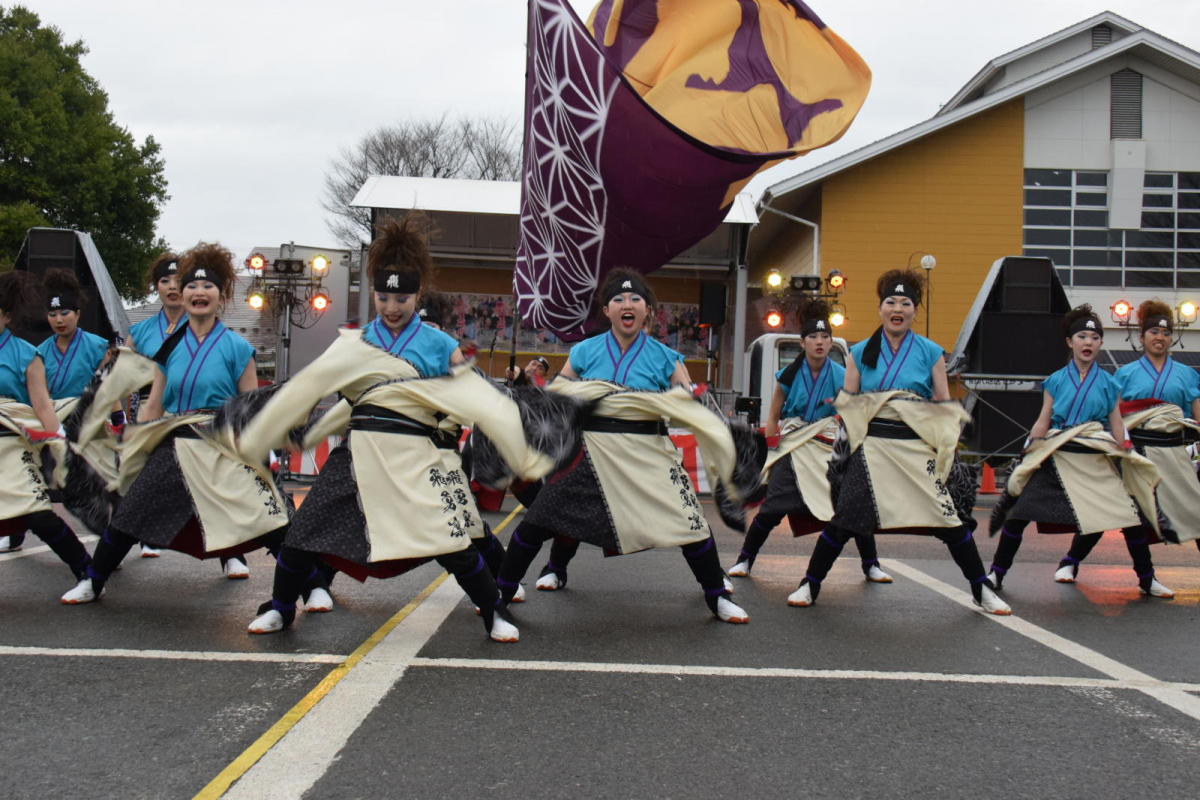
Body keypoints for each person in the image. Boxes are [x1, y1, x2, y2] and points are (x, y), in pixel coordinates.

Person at [241, 213, 547, 641]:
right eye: (383, 297)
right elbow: (313, 386)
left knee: (452, 541)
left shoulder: (440, 344)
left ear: (417, 295)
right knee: (302, 534)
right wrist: (290, 426)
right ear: (374, 293)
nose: (391, 307)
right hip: (359, 449)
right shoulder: (354, 340)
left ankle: (494, 611)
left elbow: (473, 395)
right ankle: (280, 607)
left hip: (415, 452)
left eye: (401, 298)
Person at [60, 243, 316, 607]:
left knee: (267, 517)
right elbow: (153, 403)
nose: (199, 292)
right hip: (175, 440)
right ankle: (94, 581)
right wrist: (133, 442)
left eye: (208, 286)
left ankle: (313, 585)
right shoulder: (168, 349)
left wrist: (261, 453)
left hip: (220, 443)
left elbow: (251, 406)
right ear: (184, 295)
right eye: (192, 286)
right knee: (131, 511)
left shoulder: (237, 347)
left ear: (221, 297)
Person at [495, 268, 751, 625]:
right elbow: (558, 397)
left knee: (691, 522)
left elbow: (690, 403)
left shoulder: (666, 356)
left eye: (635, 299)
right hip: (590, 451)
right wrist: (524, 384)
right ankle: (502, 592)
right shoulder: (584, 350)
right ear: (607, 311)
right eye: (618, 299)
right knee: (538, 520)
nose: (626, 304)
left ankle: (716, 596)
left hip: (648, 451)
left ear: (648, 311)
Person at [790, 268, 1010, 615]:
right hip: (872, 447)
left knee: (950, 521)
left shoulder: (930, 351)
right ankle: (810, 583)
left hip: (915, 447)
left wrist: (946, 449)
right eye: (891, 302)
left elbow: (942, 404)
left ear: (914, 311)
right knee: (844, 520)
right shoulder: (860, 352)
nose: (897, 308)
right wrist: (841, 453)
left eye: (905, 303)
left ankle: (980, 589)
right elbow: (849, 405)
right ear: (880, 309)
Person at [988, 303, 1174, 597]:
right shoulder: (1055, 380)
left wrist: (1128, 453)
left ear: (1100, 343)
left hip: (1095, 458)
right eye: (1082, 337)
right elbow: (1043, 421)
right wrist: (1027, 451)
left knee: (1129, 517)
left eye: (1095, 338)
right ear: (1069, 342)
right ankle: (996, 573)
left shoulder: (1109, 383)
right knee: (1017, 514)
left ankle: (1147, 579)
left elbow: (1117, 425)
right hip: (1057, 457)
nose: (1089, 342)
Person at [728, 297, 892, 589]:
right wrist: (772, 447)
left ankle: (871, 564)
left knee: (852, 504)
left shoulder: (842, 375)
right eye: (813, 337)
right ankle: (745, 559)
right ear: (802, 342)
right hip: (793, 444)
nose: (819, 342)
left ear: (831, 343)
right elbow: (773, 415)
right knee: (773, 507)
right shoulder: (788, 375)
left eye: (825, 337)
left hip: (828, 444)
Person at [0, 269, 94, 582]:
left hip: (12, 442)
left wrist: (59, 441)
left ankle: (87, 570)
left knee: (39, 516)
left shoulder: (26, 354)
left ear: (7, 316)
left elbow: (42, 405)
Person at [125, 252, 184, 559]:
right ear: (156, 287)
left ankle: (232, 553)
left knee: (206, 482)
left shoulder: (205, 327)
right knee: (144, 477)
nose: (172, 286)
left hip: (190, 411)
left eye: (178, 280)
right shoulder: (139, 332)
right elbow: (123, 380)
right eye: (164, 280)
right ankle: (145, 535)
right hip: (150, 409)